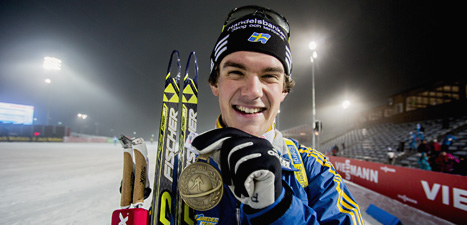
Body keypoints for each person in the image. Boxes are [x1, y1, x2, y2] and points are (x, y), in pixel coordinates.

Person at [188, 5, 364, 224]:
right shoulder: (182, 167)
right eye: (236, 72)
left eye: (269, 76)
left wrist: (279, 209)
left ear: (284, 90)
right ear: (215, 83)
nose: (252, 91)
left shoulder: (313, 169)